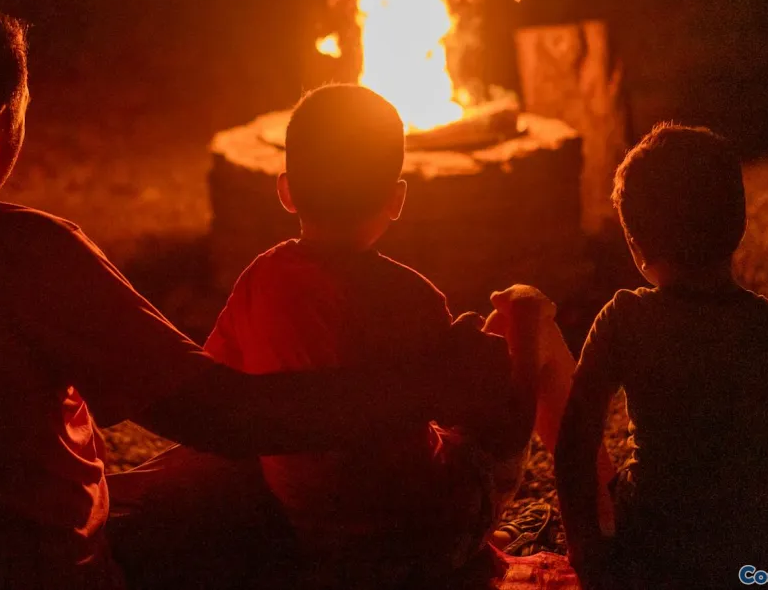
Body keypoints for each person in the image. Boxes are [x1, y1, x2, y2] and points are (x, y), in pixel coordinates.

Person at [0, 0, 516, 590]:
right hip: (23, 576)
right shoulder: (27, 253)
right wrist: (423, 381)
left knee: (168, 491)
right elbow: (226, 415)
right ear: (1, 123)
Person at [201, 84, 609, 585]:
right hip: (427, 535)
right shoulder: (409, 297)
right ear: (396, 199)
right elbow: (491, 421)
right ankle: (603, 516)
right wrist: (511, 347)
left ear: (284, 189)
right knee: (526, 312)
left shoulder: (257, 280)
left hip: (312, 534)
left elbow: (219, 382)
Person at [555, 123, 768, 589]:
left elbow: (575, 438)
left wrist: (587, 553)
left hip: (656, 557)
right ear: (740, 226)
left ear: (636, 245)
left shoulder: (624, 319)